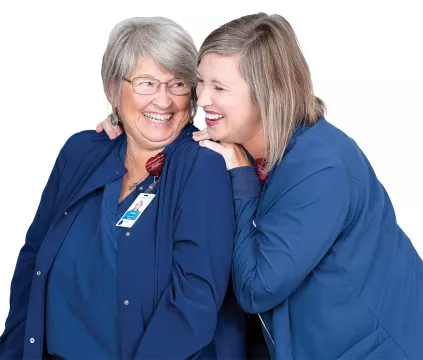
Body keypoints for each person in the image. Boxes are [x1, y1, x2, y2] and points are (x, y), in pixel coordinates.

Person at [100, 12, 423, 360]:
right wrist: (126, 126)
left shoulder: (320, 168)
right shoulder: (237, 144)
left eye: (220, 87)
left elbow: (257, 287)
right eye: (200, 82)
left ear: (265, 94)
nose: (202, 99)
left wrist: (242, 182)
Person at [0, 17, 244, 360]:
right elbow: (32, 260)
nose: (163, 101)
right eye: (146, 84)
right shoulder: (82, 151)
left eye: (177, 84)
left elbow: (194, 301)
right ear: (114, 89)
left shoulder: (201, 166)